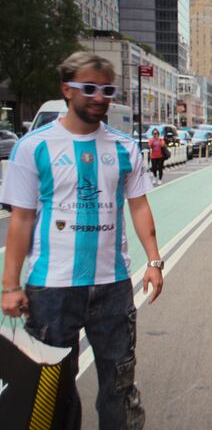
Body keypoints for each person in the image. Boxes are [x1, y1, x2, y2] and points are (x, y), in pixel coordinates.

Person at [1, 52, 164, 429]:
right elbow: (21, 220)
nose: (99, 97)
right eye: (88, 88)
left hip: (113, 287)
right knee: (51, 390)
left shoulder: (125, 148)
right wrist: (10, 286)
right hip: (51, 289)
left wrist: (154, 262)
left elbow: (139, 208)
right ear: (66, 90)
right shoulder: (33, 147)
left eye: (106, 89)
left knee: (119, 386)